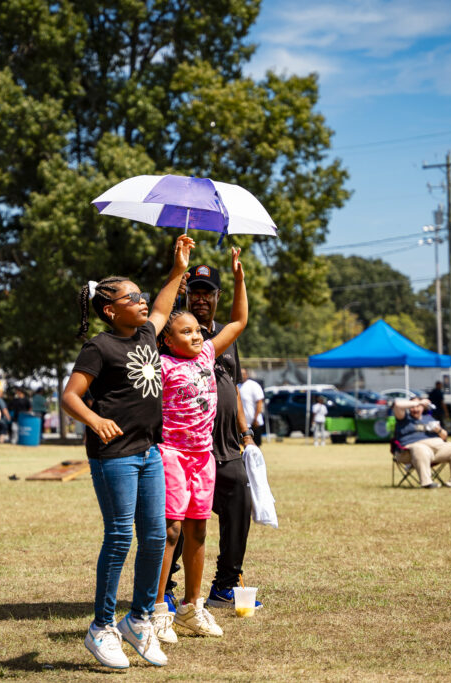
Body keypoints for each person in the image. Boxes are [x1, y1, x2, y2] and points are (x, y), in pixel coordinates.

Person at [61, 234, 193, 670]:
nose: (142, 301)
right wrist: (95, 420)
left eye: (141, 294)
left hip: (148, 451)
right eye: (131, 297)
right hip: (113, 455)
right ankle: (101, 628)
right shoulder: (100, 346)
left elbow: (162, 306)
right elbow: (70, 397)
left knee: (155, 538)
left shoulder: (146, 334)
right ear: (109, 309)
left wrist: (177, 269)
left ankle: (138, 620)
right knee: (119, 537)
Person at [152, 246, 247, 644]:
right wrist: (178, 271)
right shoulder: (161, 363)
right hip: (171, 454)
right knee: (169, 532)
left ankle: (193, 607)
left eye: (196, 330)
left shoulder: (208, 352)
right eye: (184, 331)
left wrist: (239, 278)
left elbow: (239, 320)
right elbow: (155, 320)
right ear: (167, 340)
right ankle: (156, 610)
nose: (195, 335)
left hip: (203, 457)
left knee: (198, 530)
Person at [164, 262, 262, 615]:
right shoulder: (174, 339)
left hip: (224, 444)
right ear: (186, 295)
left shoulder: (221, 338)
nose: (201, 298)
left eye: (207, 292)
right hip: (184, 446)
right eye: (196, 292)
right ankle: (167, 590)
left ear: (217, 296)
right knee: (177, 518)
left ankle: (225, 584)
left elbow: (233, 386)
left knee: (239, 508)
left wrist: (246, 432)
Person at [392, 397, 451, 488]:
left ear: (423, 408)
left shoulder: (429, 418)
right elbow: (397, 404)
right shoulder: (403, 418)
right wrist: (419, 402)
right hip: (409, 451)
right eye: (413, 407)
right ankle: (427, 483)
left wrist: (438, 430)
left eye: (418, 407)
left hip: (435, 449)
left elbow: (444, 436)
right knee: (420, 449)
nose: (415, 409)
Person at [238, 369, 265, 434]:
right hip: (242, 423)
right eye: (240, 374)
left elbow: (259, 402)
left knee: (255, 443)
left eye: (243, 374)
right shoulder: (237, 386)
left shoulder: (253, 385)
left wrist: (255, 419)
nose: (241, 376)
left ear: (246, 375)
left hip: (254, 423)